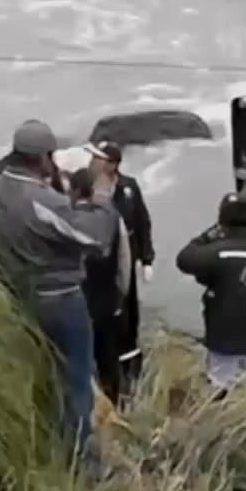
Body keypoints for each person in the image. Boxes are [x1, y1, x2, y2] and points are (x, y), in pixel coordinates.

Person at [0, 119, 116, 475]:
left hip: (18, 299)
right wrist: (100, 196)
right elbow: (95, 238)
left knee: (43, 375)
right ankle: (81, 465)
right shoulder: (40, 200)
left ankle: (46, 446)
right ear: (44, 158)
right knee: (77, 378)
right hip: (61, 300)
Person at [176, 193, 246, 397]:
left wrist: (208, 235)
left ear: (222, 222)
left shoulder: (218, 253)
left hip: (224, 343)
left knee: (220, 397)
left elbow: (184, 259)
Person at [85, 140, 153, 402]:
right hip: (100, 264)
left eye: (98, 158)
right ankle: (105, 369)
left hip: (127, 257)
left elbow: (142, 222)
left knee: (128, 312)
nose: (92, 162)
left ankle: (131, 368)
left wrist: (147, 258)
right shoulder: (88, 188)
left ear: (112, 164)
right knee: (105, 314)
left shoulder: (128, 188)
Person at [67, 167, 133, 405]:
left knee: (79, 358)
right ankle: (113, 402)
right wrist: (121, 295)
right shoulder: (114, 218)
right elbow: (124, 261)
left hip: (76, 300)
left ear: (74, 191)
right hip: (107, 301)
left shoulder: (65, 219)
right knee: (108, 357)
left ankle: (87, 406)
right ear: (93, 191)